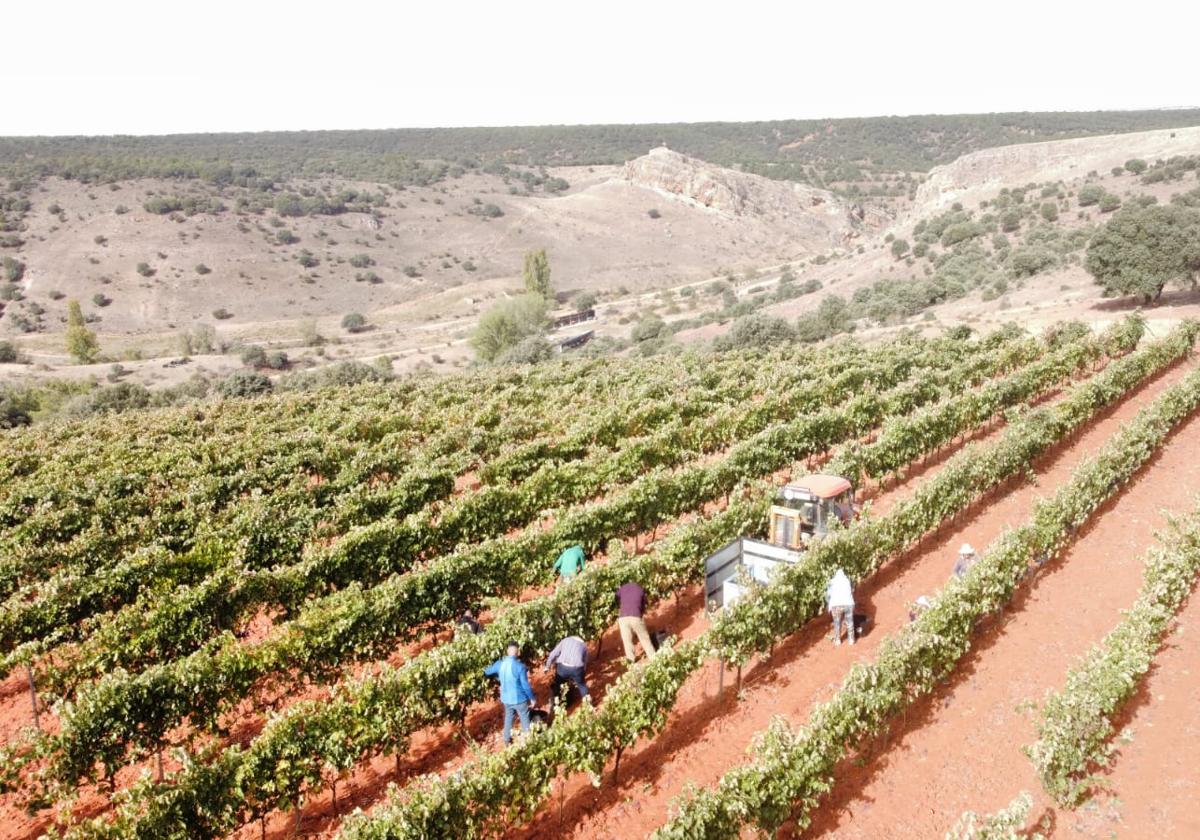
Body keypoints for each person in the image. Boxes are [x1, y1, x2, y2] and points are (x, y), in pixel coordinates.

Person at [483, 641, 538, 745]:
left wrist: (496, 675)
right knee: (525, 718)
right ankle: (530, 742)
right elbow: (525, 685)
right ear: (518, 652)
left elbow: (487, 672)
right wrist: (532, 698)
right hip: (519, 699)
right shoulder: (520, 667)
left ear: (507, 651)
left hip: (506, 699)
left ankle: (507, 741)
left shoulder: (499, 664)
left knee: (508, 718)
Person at [544, 634, 590, 711]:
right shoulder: (584, 646)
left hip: (563, 667)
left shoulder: (565, 641)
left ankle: (555, 706)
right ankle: (589, 705)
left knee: (558, 686)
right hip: (577, 667)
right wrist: (581, 676)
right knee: (582, 686)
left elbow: (553, 654)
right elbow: (585, 663)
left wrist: (547, 666)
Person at [616, 580, 656, 662]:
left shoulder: (623, 588)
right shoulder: (640, 589)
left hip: (623, 618)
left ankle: (631, 661)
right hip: (635, 616)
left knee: (627, 641)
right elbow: (643, 605)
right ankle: (653, 658)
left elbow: (616, 596)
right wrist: (640, 615)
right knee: (644, 639)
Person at [827, 568, 856, 645]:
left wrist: (829, 605)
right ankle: (851, 640)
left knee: (837, 623)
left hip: (836, 605)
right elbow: (852, 591)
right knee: (850, 622)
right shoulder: (847, 580)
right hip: (848, 604)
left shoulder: (832, 582)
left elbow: (829, 595)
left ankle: (837, 640)